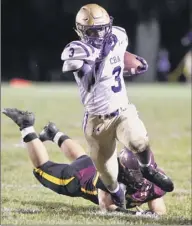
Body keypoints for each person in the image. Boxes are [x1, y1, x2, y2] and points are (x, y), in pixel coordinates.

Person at [61, 3, 173, 207]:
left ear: (109, 24)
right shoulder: (78, 49)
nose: (99, 33)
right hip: (97, 121)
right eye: (93, 30)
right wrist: (92, 63)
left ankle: (147, 167)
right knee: (109, 177)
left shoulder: (119, 35)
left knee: (138, 140)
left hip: (122, 111)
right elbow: (80, 71)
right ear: (81, 31)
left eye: (102, 28)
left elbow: (118, 55)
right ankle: (117, 194)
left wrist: (130, 63)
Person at [2, 108, 170, 216]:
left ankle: (54, 134)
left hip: (90, 165)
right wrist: (138, 215)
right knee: (42, 168)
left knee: (82, 159)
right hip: (77, 179)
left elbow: (159, 208)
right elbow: (107, 207)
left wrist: (154, 214)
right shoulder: (110, 177)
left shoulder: (152, 181)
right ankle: (26, 126)